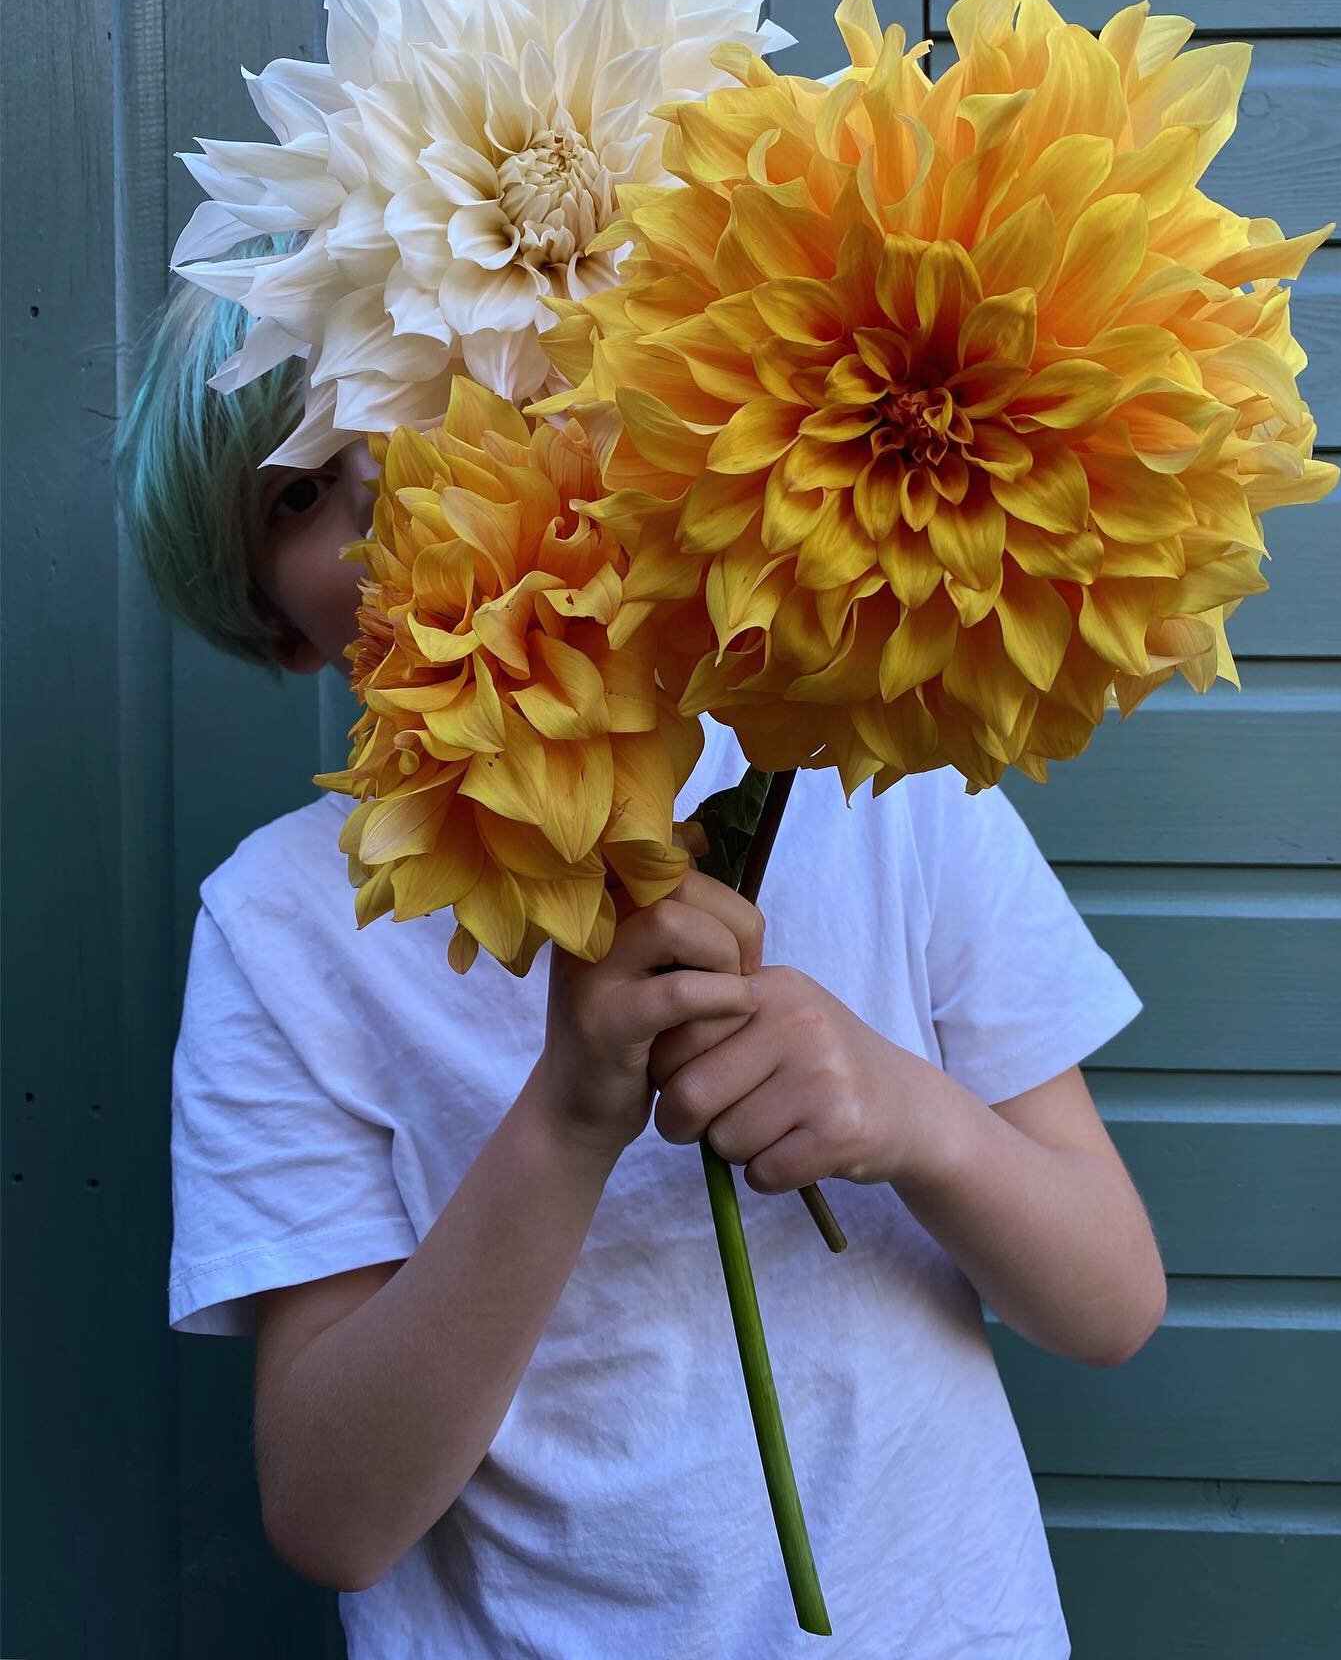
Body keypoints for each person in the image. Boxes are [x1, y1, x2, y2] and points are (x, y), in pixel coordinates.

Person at [115, 239, 1167, 1659]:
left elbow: (1111, 1302)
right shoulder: (283, 926)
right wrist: (569, 1111)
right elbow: (331, 1515)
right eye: (303, 489)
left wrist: (909, 1112)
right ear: (277, 626)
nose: (392, 484)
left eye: (429, 396)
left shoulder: (867, 760)